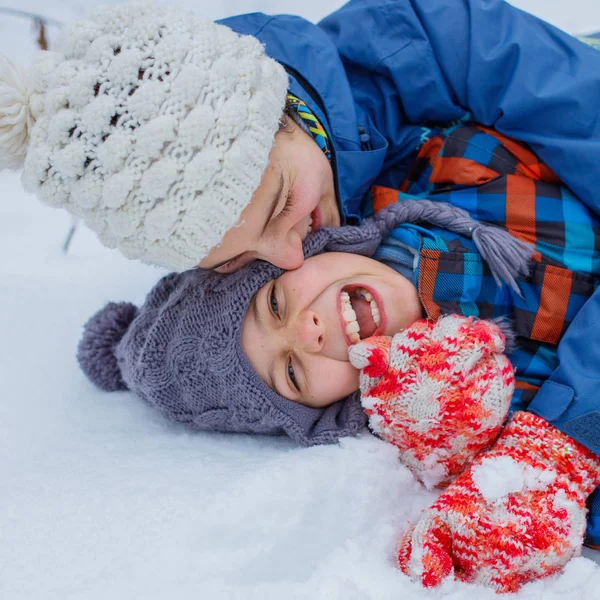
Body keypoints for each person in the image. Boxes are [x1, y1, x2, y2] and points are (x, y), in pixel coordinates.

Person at [76, 123, 600, 590]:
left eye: (276, 303)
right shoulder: (488, 421)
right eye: (291, 372)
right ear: (328, 414)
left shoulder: (442, 169)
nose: (307, 334)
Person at [0, 1, 599, 272]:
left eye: (282, 204)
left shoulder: (435, 39)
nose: (288, 258)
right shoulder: (292, 241)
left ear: (289, 114)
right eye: (237, 260)